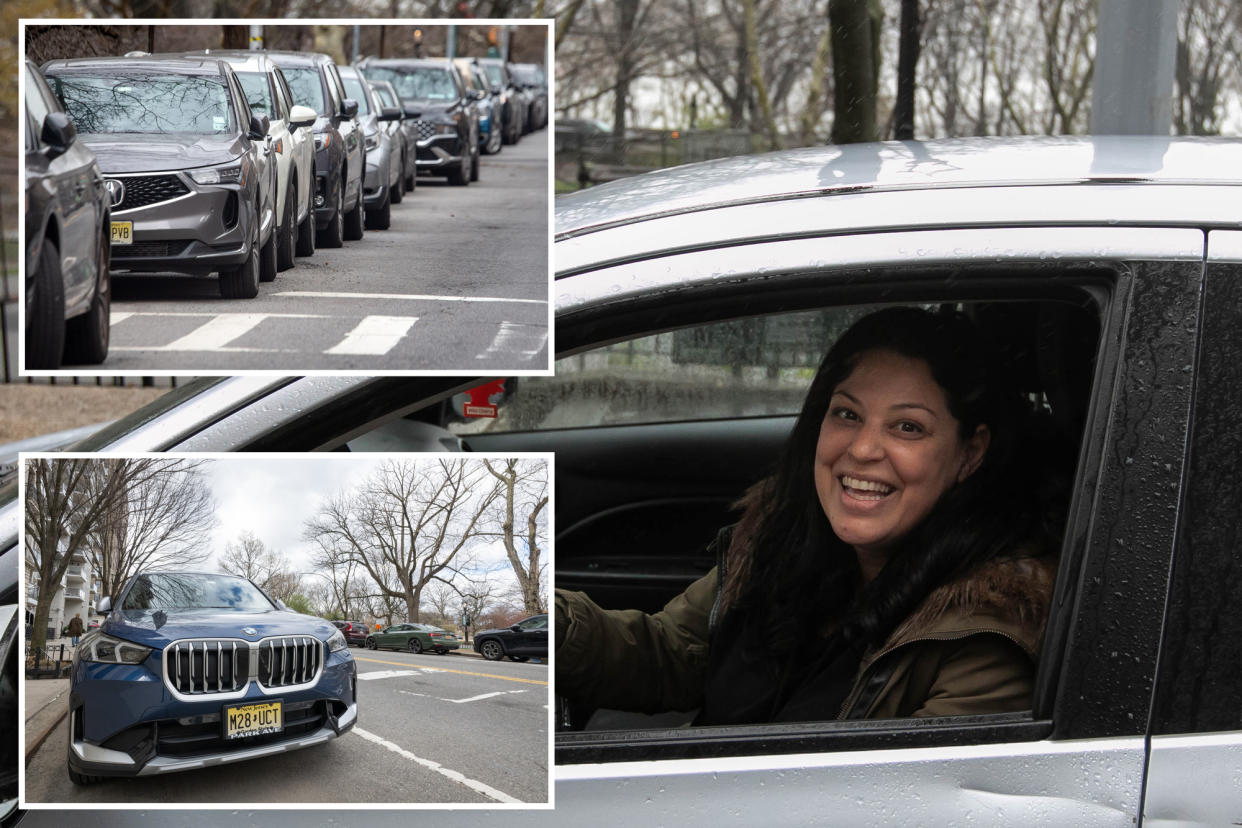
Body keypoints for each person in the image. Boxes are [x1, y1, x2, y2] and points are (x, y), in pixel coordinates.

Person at [556, 306, 1064, 725]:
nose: (863, 449)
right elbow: (675, 653)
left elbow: (892, 802)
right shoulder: (783, 539)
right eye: (846, 414)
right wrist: (538, 621)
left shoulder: (984, 638)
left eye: (908, 427)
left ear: (970, 454)